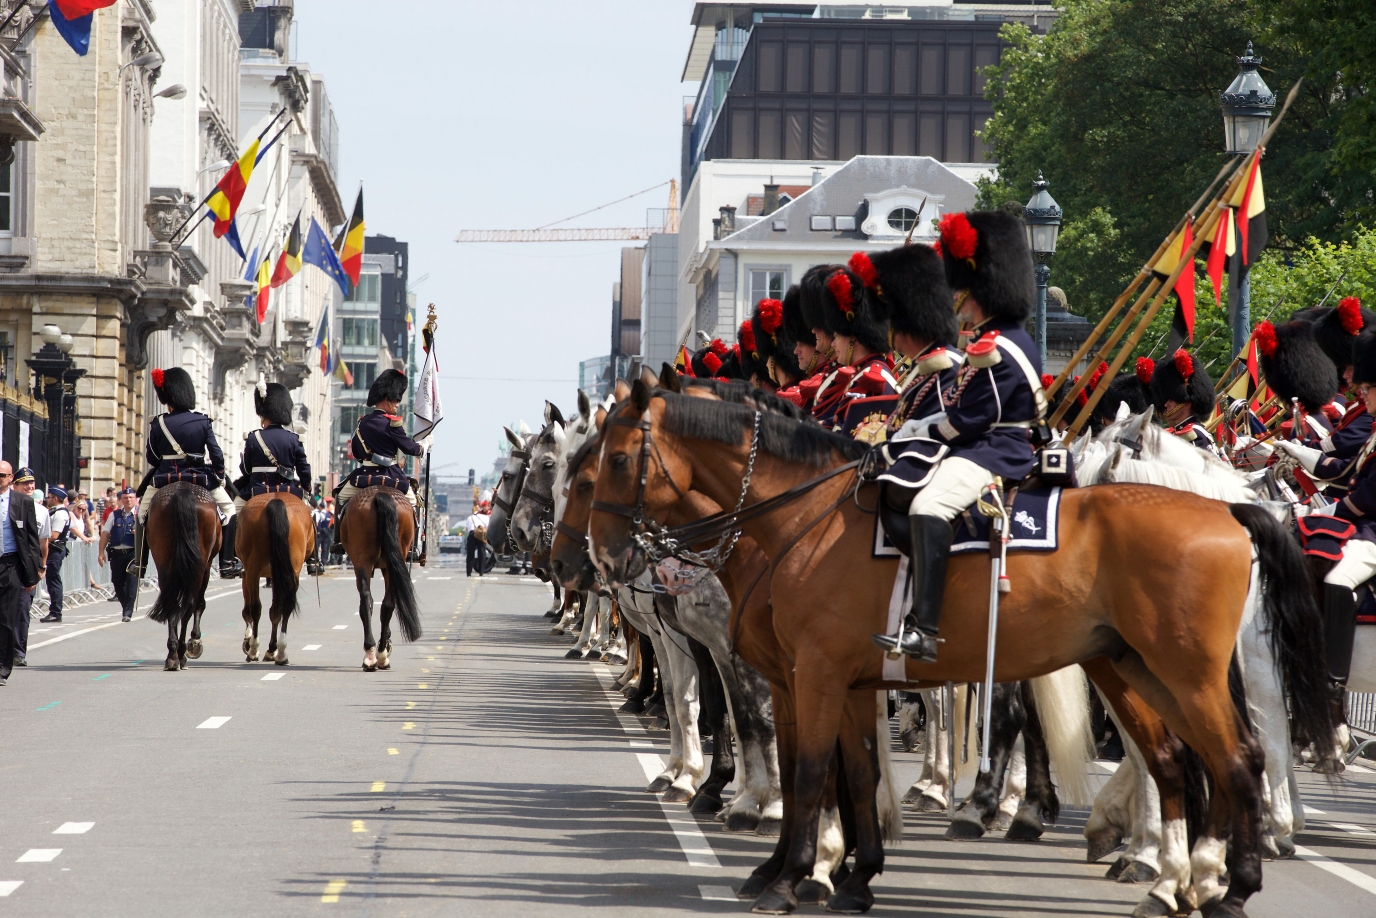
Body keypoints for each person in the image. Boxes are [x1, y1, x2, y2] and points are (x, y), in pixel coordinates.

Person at [873, 209, 1045, 661]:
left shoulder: (995, 347)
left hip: (997, 450)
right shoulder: (997, 339)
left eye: (964, 296)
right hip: (985, 445)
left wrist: (919, 429)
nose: (960, 305)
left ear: (980, 292)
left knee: (928, 504)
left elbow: (968, 419)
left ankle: (925, 628)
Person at [1302, 328, 1376, 695]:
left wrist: (1332, 509)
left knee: (1337, 581)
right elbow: (1349, 474)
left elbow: (1366, 498)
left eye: (1368, 387)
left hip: (1373, 533)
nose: (1360, 391)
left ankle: (1331, 679)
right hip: (1365, 528)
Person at [138, 367, 235, 574]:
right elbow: (216, 454)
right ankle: (227, 562)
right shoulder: (202, 421)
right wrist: (218, 475)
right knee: (230, 510)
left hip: (164, 479)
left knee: (141, 514)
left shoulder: (159, 423)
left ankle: (139, 563)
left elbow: (152, 457)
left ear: (167, 396)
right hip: (199, 478)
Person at [332, 369, 425, 555]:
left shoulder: (363, 423)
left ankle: (339, 541)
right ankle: (413, 545)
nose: (397, 404)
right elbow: (411, 449)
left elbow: (357, 452)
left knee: (341, 498)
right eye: (396, 400)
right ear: (386, 399)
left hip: (364, 477)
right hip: (392, 477)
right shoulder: (393, 423)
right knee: (415, 503)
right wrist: (424, 445)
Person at [0, 460, 42, 686]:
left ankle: (2, 668)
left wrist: (32, 574)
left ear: (9, 479)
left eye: (2, 475)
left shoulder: (23, 502)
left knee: (7, 619)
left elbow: (32, 541)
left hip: (11, 564)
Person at [10, 469, 49, 664]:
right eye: (24, 483)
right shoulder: (6, 505)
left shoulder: (42, 511)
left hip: (27, 567)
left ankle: (18, 652)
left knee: (22, 610)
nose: (29, 486)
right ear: (14, 485)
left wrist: (41, 567)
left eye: (32, 483)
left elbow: (42, 543)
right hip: (7, 563)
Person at [1149, 348, 1217, 453]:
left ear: (1186, 404)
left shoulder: (1195, 435)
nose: (1166, 404)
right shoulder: (1177, 432)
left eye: (1171, 400)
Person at [100, 488, 138, 621]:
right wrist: (100, 553)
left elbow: (151, 534)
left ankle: (127, 613)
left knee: (132, 583)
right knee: (117, 582)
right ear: (121, 500)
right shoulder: (114, 515)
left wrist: (139, 532)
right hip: (116, 553)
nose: (128, 500)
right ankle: (125, 606)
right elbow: (105, 533)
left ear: (135, 499)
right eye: (126, 498)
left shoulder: (141, 514)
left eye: (131, 497)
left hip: (133, 554)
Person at [38, 486, 71, 624]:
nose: (47, 499)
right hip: (52, 549)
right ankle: (54, 611)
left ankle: (56, 612)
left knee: (53, 580)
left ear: (56, 498)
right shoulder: (53, 512)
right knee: (52, 580)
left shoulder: (60, 514)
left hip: (55, 550)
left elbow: (53, 535)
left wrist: (37, 539)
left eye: (49, 497)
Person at [465, 502, 490, 577]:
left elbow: (466, 529)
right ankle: (481, 572)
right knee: (482, 553)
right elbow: (487, 528)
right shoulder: (486, 517)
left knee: (470, 554)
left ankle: (469, 572)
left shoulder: (470, 517)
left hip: (472, 534)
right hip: (481, 535)